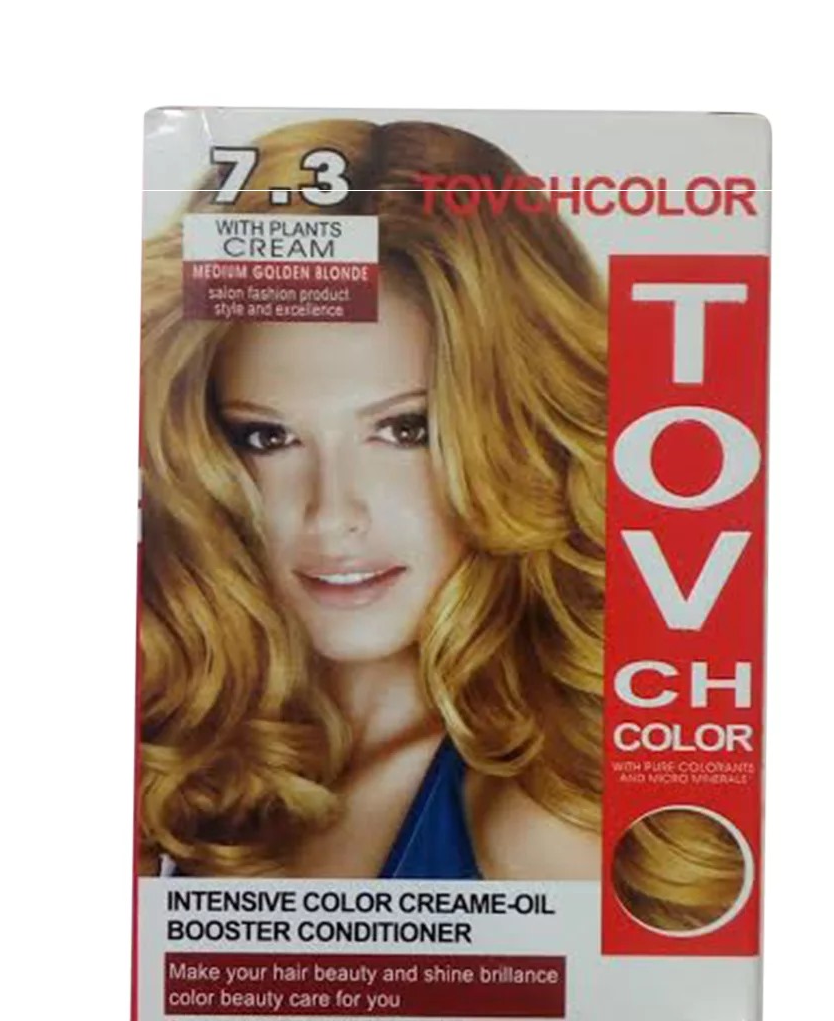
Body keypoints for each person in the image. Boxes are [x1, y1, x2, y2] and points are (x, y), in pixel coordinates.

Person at [139, 119, 607, 880]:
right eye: (267, 437)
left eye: (404, 429)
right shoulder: (195, 768)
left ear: (519, 434)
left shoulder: (538, 830)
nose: (332, 515)